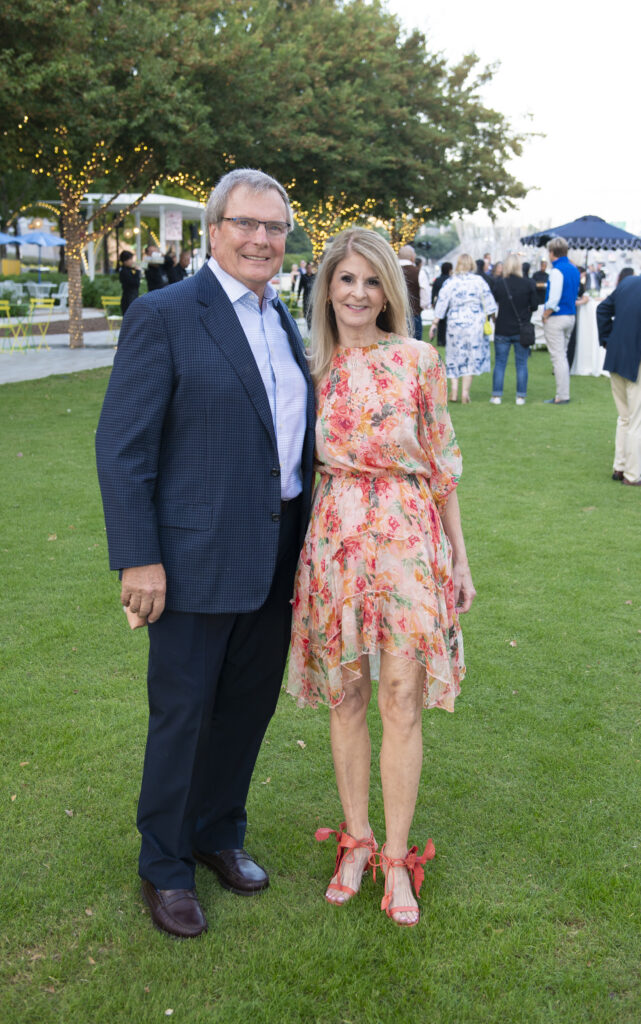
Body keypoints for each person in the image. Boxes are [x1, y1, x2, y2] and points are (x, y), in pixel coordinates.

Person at [96, 168, 315, 939]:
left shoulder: (281, 316)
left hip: (278, 549)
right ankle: (163, 864)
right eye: (246, 224)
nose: (261, 239)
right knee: (184, 713)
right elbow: (122, 448)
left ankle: (217, 831)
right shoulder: (165, 314)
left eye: (275, 228)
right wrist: (139, 557)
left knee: (246, 709)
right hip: (192, 557)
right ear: (214, 230)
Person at [288, 227, 475, 928]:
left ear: (388, 293)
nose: (358, 293)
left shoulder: (417, 360)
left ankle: (397, 855)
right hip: (335, 539)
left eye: (371, 282)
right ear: (326, 288)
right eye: (345, 280)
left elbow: (440, 463)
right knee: (346, 696)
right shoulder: (308, 368)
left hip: (406, 538)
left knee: (401, 696)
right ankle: (355, 840)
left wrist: (458, 557)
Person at [430, 252, 497, 403]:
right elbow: (490, 303)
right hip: (475, 323)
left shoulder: (451, 282)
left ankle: (454, 391)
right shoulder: (479, 281)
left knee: (454, 354)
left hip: (455, 322)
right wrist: (494, 319)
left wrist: (434, 323)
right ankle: (465, 393)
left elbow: (442, 303)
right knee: (471, 355)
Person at [596, 272, 641, 485]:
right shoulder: (629, 283)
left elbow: (602, 309)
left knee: (625, 417)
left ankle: (620, 467)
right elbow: (602, 309)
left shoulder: (628, 283)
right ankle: (632, 474)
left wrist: (607, 339)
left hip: (617, 356)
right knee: (635, 419)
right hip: (634, 360)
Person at [488, 253, 538, 405]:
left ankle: (497, 395)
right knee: (521, 363)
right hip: (521, 328)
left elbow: (493, 302)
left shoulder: (500, 283)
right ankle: (520, 396)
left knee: (500, 363)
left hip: (502, 327)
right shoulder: (529, 283)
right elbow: (535, 305)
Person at [542, 237, 580, 404]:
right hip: (571, 315)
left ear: (552, 252)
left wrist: (546, 314)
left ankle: (562, 395)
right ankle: (563, 393)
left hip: (557, 316)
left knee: (558, 357)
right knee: (562, 355)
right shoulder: (574, 269)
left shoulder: (557, 271)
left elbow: (554, 298)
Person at [398, 244, 423, 340]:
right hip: (414, 313)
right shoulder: (419, 272)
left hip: (392, 314)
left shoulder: (390, 271)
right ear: (413, 258)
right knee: (415, 348)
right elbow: (425, 295)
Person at [431, 262, 452, 346]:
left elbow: (433, 292)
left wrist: (432, 302)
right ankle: (447, 340)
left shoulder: (438, 279)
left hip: (439, 303)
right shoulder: (450, 280)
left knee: (440, 323)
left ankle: (440, 340)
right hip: (448, 304)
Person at [118, 249, 141, 315]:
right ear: (125, 261)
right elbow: (135, 283)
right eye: (130, 259)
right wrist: (137, 271)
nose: (132, 261)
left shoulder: (126, 270)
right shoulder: (124, 271)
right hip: (129, 299)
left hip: (131, 297)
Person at [297, 259, 317, 325]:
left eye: (310, 268)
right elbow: (300, 287)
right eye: (308, 268)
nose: (309, 269)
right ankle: (308, 324)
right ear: (306, 269)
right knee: (305, 311)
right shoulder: (303, 277)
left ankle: (312, 324)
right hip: (305, 296)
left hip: (313, 297)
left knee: (312, 311)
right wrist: (298, 297)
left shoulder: (314, 276)